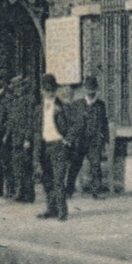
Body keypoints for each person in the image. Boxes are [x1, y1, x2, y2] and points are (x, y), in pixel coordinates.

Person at [35, 73, 81, 221]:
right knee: (47, 179)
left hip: (58, 146)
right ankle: (51, 209)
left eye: (51, 90)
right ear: (42, 90)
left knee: (58, 180)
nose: (48, 93)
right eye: (46, 90)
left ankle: (62, 211)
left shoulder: (63, 106)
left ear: (55, 90)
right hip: (44, 146)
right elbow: (35, 129)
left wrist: (67, 140)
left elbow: (77, 124)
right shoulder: (38, 108)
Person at [69, 74, 110, 199]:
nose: (91, 94)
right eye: (88, 90)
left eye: (93, 91)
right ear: (84, 90)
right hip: (80, 141)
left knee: (95, 165)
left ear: (96, 90)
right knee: (75, 165)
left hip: (95, 141)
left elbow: (104, 123)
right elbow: (72, 123)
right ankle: (68, 190)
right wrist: (70, 139)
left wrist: (105, 139)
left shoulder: (100, 106)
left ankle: (96, 191)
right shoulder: (77, 105)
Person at [7, 74, 38, 203]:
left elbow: (31, 121)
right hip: (16, 138)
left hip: (24, 139)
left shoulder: (29, 101)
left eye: (17, 87)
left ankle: (28, 194)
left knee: (25, 167)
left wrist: (28, 138)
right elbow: (12, 121)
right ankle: (21, 192)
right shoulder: (15, 101)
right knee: (17, 166)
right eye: (14, 88)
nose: (15, 90)